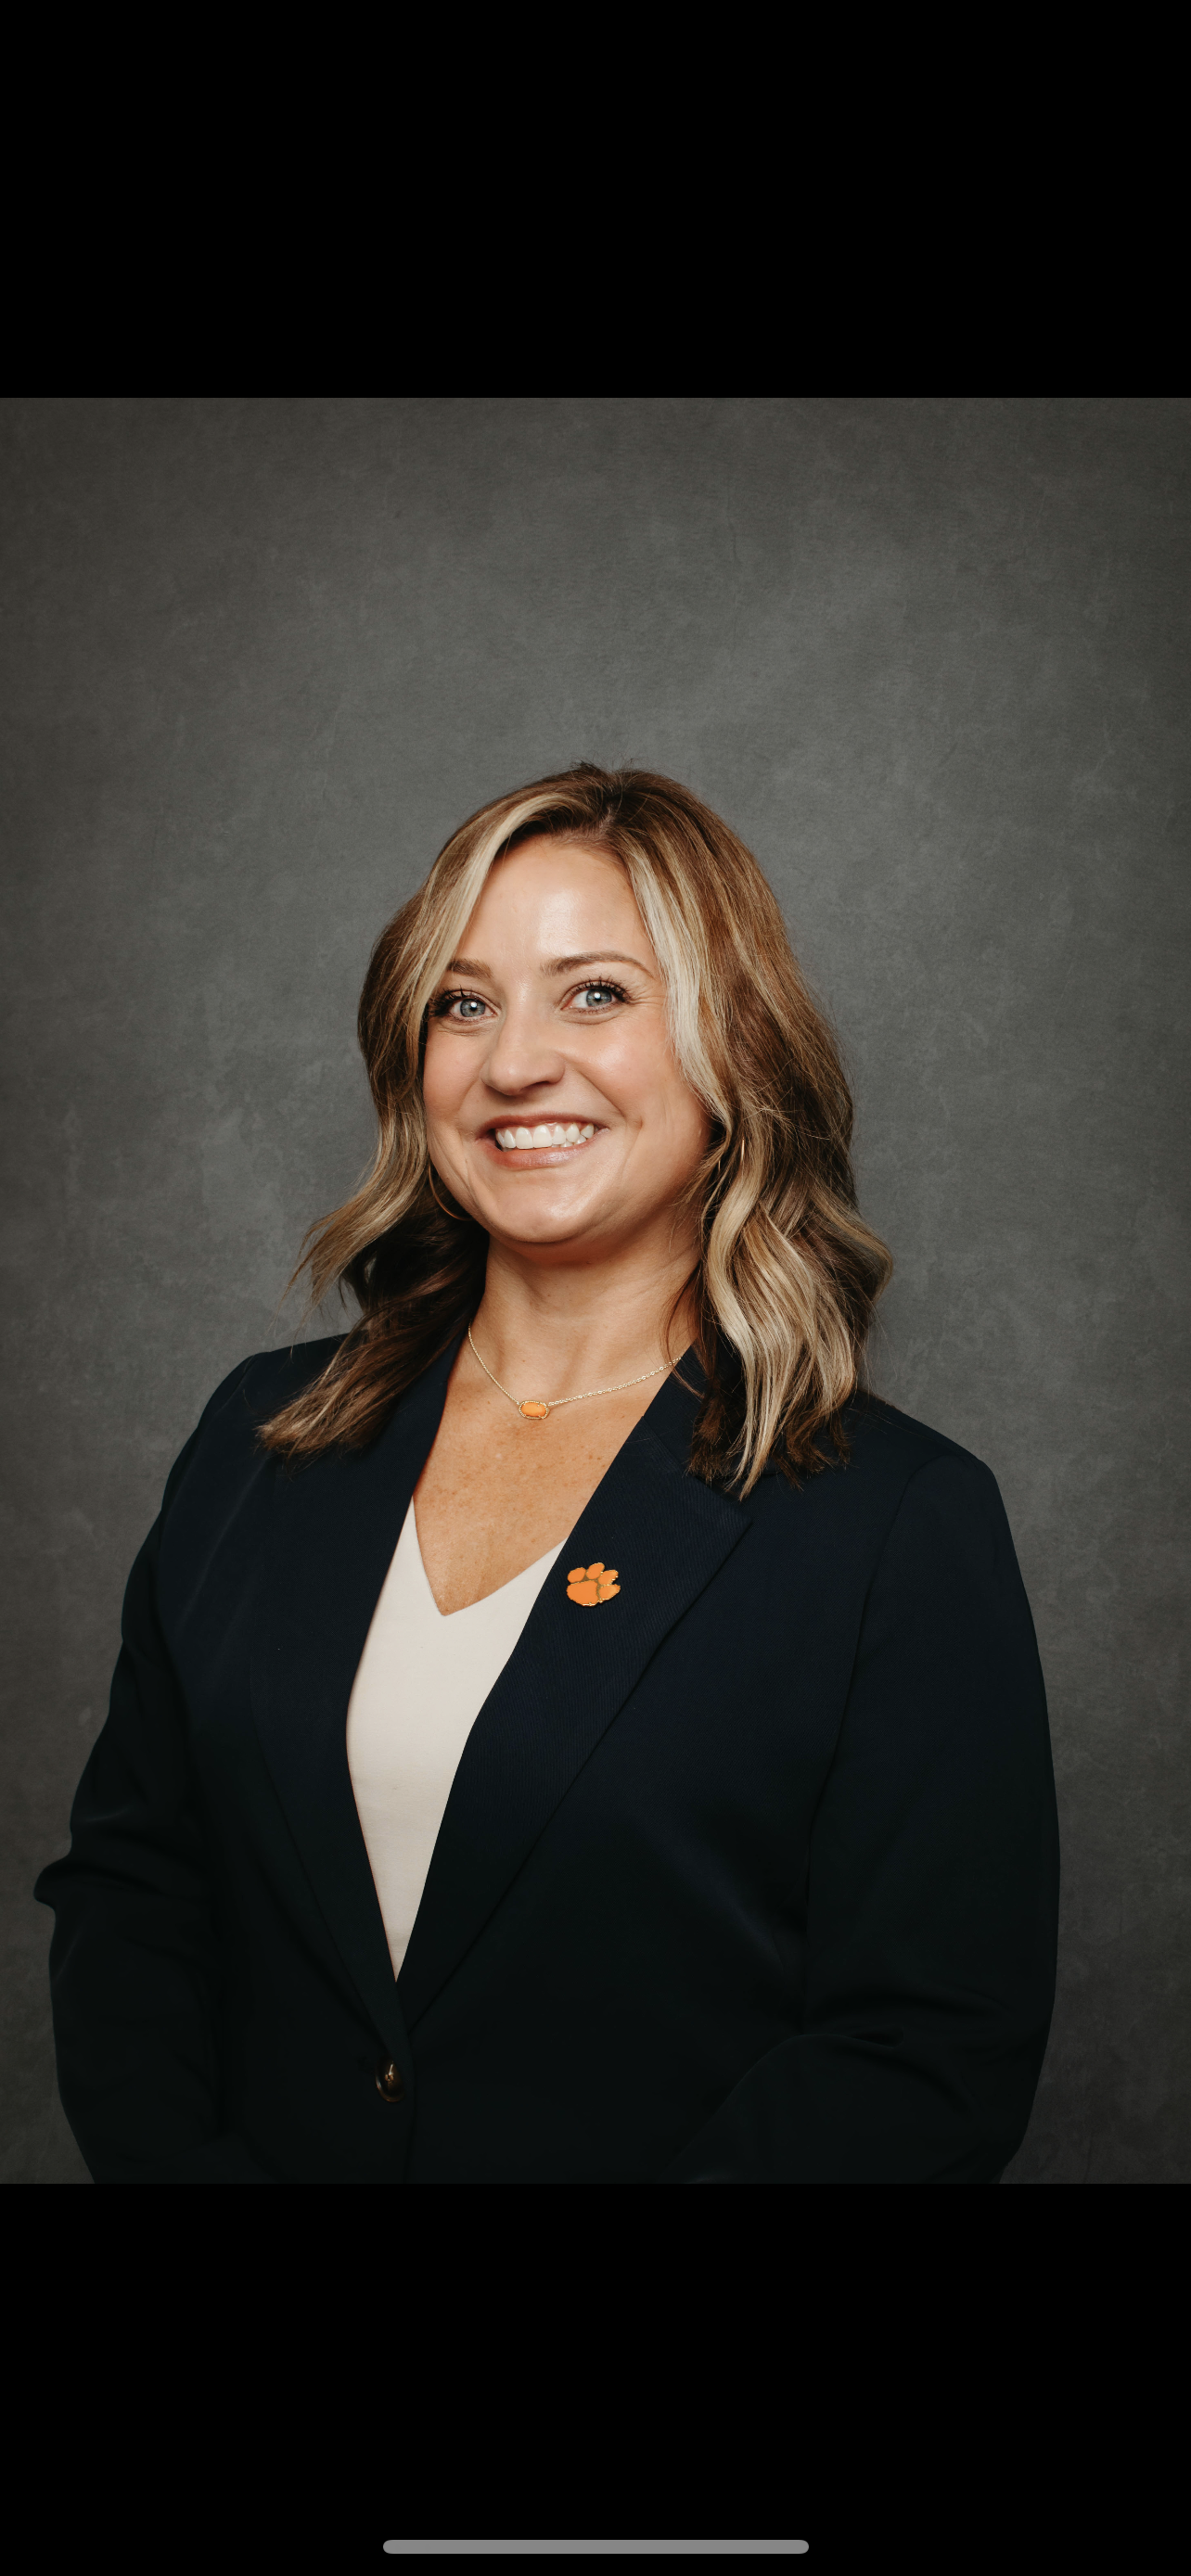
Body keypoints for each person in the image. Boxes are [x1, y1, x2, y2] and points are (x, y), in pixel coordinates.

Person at [36, 764, 1058, 2183]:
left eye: (594, 993)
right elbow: (134, 1891)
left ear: (734, 1046)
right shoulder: (263, 1436)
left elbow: (922, 2051)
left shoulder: (896, 1522)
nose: (514, 1061)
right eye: (464, 1003)